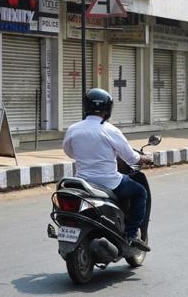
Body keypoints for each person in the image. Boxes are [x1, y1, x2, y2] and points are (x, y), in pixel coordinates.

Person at [63, 88, 152, 251]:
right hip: (110, 183)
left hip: (82, 182)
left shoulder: (73, 129)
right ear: (108, 109)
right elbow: (131, 158)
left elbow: (69, 152)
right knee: (140, 192)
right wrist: (147, 158)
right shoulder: (110, 130)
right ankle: (131, 234)